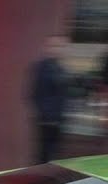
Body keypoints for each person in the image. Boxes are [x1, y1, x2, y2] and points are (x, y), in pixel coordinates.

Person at [28, 34, 70, 164]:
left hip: (57, 119)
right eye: (55, 46)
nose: (58, 49)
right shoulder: (42, 68)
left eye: (62, 46)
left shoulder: (60, 68)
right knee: (45, 154)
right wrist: (46, 116)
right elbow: (35, 93)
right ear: (47, 47)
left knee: (51, 154)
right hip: (47, 120)